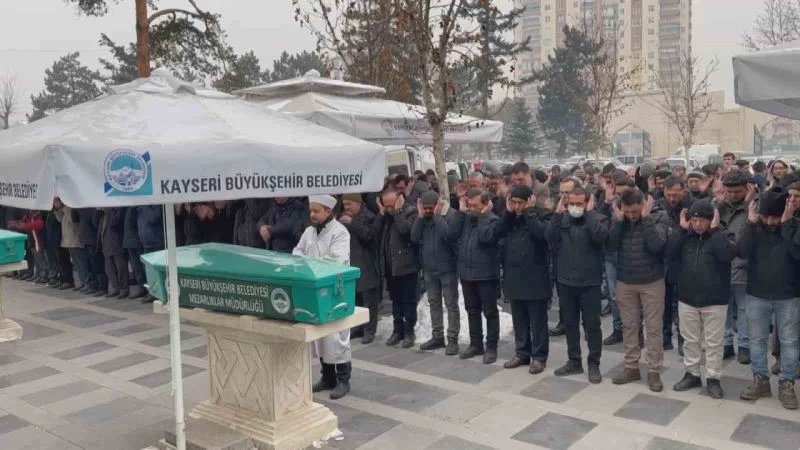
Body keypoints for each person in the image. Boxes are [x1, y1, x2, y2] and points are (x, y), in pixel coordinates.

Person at [738, 187, 798, 410]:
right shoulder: (755, 226)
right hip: (757, 293)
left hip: (788, 295)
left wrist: (787, 225)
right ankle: (760, 380)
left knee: (789, 341)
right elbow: (742, 251)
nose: (770, 221)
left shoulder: (794, 226)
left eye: (775, 217)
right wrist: (750, 223)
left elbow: (797, 253)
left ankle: (787, 383)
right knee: (757, 339)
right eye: (766, 216)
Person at [667, 201, 735, 399]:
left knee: (713, 343)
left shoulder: (723, 235)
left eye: (701, 221)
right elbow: (669, 252)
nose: (697, 224)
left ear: (711, 220)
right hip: (687, 298)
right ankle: (692, 374)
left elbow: (727, 255)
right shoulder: (684, 236)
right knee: (690, 340)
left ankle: (713, 378)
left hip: (715, 300)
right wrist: (681, 229)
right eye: (694, 220)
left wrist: (714, 231)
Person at [546, 184, 609, 383]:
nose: (574, 207)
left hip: (589, 282)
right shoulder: (562, 219)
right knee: (570, 323)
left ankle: (594, 363)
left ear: (588, 203)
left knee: (592, 325)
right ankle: (574, 360)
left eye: (579, 203)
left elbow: (600, 237)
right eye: (571, 203)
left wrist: (589, 214)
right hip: (566, 281)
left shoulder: (598, 219)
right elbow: (549, 238)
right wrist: (557, 215)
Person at [608, 189, 669, 392]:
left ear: (643, 205)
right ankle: (631, 366)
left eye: (635, 211)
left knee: (654, 328)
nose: (631, 216)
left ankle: (654, 370)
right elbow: (610, 245)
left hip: (652, 281)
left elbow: (657, 246)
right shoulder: (620, 219)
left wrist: (646, 219)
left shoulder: (659, 216)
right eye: (627, 212)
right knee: (629, 326)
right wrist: (618, 222)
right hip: (625, 280)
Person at [295, 195, 353, 400]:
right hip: (314, 289)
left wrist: (310, 263)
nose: (312, 214)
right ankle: (327, 376)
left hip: (335, 290)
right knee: (319, 336)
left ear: (328, 211)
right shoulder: (308, 232)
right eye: (311, 210)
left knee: (337, 336)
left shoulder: (340, 233)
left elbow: (335, 260)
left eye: (316, 211)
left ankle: (343, 379)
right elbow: (297, 252)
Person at [493, 184, 552, 374]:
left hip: (536, 277)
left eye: (521, 203)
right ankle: (522, 353)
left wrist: (529, 213)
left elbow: (542, 234)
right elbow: (495, 233)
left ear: (529, 201)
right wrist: (508, 214)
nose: (517, 206)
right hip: (514, 276)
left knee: (538, 322)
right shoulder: (510, 218)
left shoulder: (541, 215)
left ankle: (539, 357)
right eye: (514, 202)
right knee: (519, 320)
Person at [410, 191, 462, 355]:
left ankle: (452, 339)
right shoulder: (423, 219)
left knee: (451, 304)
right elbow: (414, 237)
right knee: (434, 303)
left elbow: (448, 236)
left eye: (430, 208)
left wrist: (438, 217)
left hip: (447, 269)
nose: (427, 211)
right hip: (429, 269)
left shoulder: (450, 216)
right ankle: (437, 336)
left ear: (438, 205)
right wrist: (420, 217)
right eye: (425, 208)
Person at [454, 188, 501, 364]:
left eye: (475, 206)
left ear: (486, 204)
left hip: (486, 275)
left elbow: (485, 238)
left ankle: (491, 347)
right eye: (470, 205)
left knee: (490, 312)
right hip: (467, 273)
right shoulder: (466, 219)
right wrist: (460, 213)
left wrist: (483, 216)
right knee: (472, 311)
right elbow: (451, 233)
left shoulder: (493, 220)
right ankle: (476, 344)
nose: (472, 209)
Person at [373, 189, 419, 348]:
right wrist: (381, 214)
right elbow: (375, 234)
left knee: (408, 301)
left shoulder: (411, 212)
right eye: (386, 206)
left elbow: (406, 230)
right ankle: (397, 330)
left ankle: (409, 332)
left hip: (407, 265)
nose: (389, 209)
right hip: (390, 266)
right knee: (396, 301)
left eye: (391, 205)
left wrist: (398, 212)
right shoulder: (386, 215)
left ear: (400, 199)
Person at [718, 170, 754, 364]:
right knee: (723, 309)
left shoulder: (755, 205)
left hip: (744, 266)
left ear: (747, 188)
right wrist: (718, 205)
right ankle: (726, 343)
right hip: (722, 266)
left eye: (737, 191)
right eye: (729, 191)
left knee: (744, 310)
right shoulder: (719, 206)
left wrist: (748, 204)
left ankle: (744, 345)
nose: (732, 195)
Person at [657, 176, 695, 354]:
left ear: (683, 192)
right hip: (662, 262)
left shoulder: (692, 207)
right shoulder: (659, 206)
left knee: (682, 305)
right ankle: (665, 337)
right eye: (668, 195)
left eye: (675, 195)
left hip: (683, 262)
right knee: (663, 304)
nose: (672, 199)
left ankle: (682, 338)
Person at [598, 176, 635, 346]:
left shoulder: (637, 207)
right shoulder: (610, 205)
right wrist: (606, 202)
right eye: (618, 194)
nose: (621, 197)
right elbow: (599, 222)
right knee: (613, 296)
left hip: (631, 257)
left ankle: (634, 330)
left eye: (624, 194)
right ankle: (617, 328)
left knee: (633, 298)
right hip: (612, 256)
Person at [339, 193, 380, 345]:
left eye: (349, 204)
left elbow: (370, 237)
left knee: (369, 300)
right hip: (351, 263)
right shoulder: (343, 218)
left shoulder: (369, 217)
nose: (346, 207)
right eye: (344, 204)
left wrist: (353, 223)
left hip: (367, 263)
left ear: (358, 203)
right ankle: (358, 328)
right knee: (356, 299)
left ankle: (369, 330)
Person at [549, 177, 580, 337]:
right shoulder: (558, 209)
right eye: (562, 192)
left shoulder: (583, 209)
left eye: (568, 192)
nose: (564, 196)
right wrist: (557, 215)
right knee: (563, 296)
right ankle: (564, 322)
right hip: (560, 260)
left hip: (580, 262)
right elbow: (550, 235)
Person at [75, 208, 106, 295]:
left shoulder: (93, 209)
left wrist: (95, 211)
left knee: (97, 266)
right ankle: (92, 285)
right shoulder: (81, 209)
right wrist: (75, 207)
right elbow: (75, 219)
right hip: (85, 241)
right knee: (88, 266)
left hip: (93, 241)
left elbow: (95, 223)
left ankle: (102, 287)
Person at [99, 208, 129, 298]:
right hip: (106, 245)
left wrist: (109, 211)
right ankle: (115, 288)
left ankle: (124, 289)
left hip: (117, 244)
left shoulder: (118, 210)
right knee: (109, 269)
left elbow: (114, 223)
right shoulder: (103, 215)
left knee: (121, 269)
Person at [123, 207, 147, 299]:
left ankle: (148, 289)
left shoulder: (136, 207)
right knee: (136, 268)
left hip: (137, 241)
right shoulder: (127, 208)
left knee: (143, 267)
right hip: (129, 241)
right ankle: (142, 289)